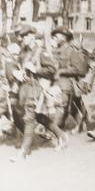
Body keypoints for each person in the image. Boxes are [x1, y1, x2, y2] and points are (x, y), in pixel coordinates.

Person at [12, 25, 68, 161]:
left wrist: (36, 70)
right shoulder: (23, 53)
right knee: (40, 118)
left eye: (25, 36)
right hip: (24, 90)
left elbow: (52, 70)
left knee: (29, 119)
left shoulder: (41, 52)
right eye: (21, 36)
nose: (22, 39)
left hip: (36, 90)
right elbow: (19, 68)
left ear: (32, 36)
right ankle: (61, 136)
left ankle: (23, 153)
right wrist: (17, 73)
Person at [51, 26, 89, 133]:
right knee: (70, 105)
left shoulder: (71, 51)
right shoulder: (56, 50)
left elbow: (79, 69)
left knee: (64, 104)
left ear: (64, 37)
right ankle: (79, 122)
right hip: (59, 83)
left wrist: (62, 71)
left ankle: (56, 128)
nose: (54, 38)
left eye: (57, 36)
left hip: (69, 83)